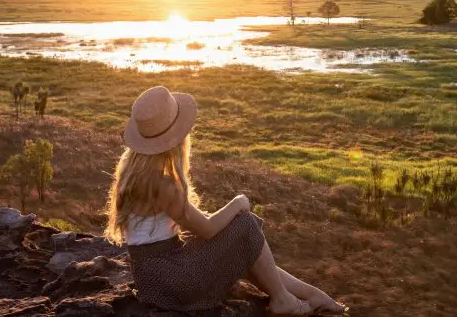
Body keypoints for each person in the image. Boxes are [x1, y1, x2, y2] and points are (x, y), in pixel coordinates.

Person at [105, 86, 347, 315]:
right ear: (176, 139)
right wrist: (238, 202)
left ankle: (312, 295)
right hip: (173, 282)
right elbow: (208, 229)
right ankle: (283, 299)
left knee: (241, 239)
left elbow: (195, 227)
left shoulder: (132, 173)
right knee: (245, 224)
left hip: (153, 281)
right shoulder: (164, 185)